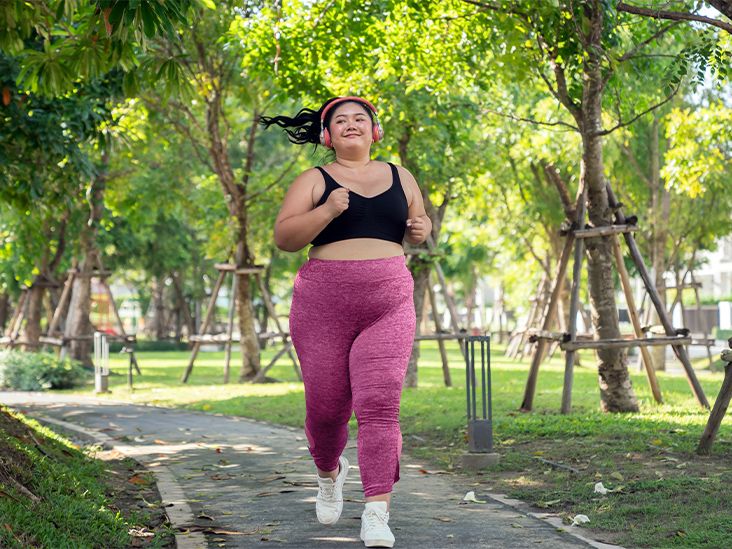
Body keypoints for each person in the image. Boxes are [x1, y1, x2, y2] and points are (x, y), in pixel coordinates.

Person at [261, 96, 431, 548]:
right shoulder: (315, 180)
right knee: (326, 408)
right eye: (341, 120)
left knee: (379, 405)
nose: (352, 124)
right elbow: (284, 238)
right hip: (323, 304)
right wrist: (328, 210)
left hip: (389, 300)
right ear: (326, 135)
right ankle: (329, 473)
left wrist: (421, 229)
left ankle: (377, 510)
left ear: (375, 131)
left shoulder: (401, 175)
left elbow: (420, 220)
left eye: (361, 119)